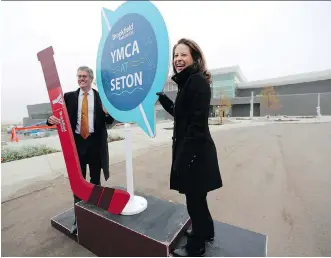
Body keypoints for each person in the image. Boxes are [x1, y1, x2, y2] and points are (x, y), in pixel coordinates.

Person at [157, 38, 223, 257]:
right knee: (197, 198)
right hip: (194, 152)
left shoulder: (197, 82)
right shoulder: (189, 83)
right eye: (176, 55)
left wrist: (182, 160)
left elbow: (196, 126)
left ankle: (196, 246)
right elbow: (181, 112)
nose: (178, 59)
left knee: (193, 200)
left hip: (196, 154)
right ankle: (207, 231)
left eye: (183, 55)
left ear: (195, 58)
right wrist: (163, 99)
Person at [47, 66, 115, 234]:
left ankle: (96, 215)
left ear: (91, 79)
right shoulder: (69, 97)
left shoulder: (101, 97)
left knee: (95, 181)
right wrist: (50, 120)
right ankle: (79, 220)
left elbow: (110, 120)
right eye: (79, 76)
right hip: (77, 145)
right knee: (78, 183)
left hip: (95, 144)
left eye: (84, 76)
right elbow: (56, 116)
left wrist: (108, 114)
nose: (81, 79)